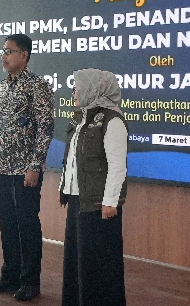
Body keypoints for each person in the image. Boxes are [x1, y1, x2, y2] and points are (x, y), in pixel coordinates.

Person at [0, 34, 54, 301]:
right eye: (3, 51)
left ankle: (30, 282)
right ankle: (9, 276)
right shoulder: (1, 88)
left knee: (27, 224)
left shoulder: (38, 86)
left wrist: (35, 165)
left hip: (25, 169)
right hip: (2, 167)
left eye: (9, 51)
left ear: (24, 55)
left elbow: (46, 128)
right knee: (7, 224)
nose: (4, 55)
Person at [59, 69, 128, 306]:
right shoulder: (80, 118)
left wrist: (110, 201)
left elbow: (118, 166)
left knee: (97, 264)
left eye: (78, 88)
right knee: (77, 261)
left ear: (93, 89)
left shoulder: (112, 120)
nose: (74, 93)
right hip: (79, 198)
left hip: (99, 204)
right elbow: (72, 161)